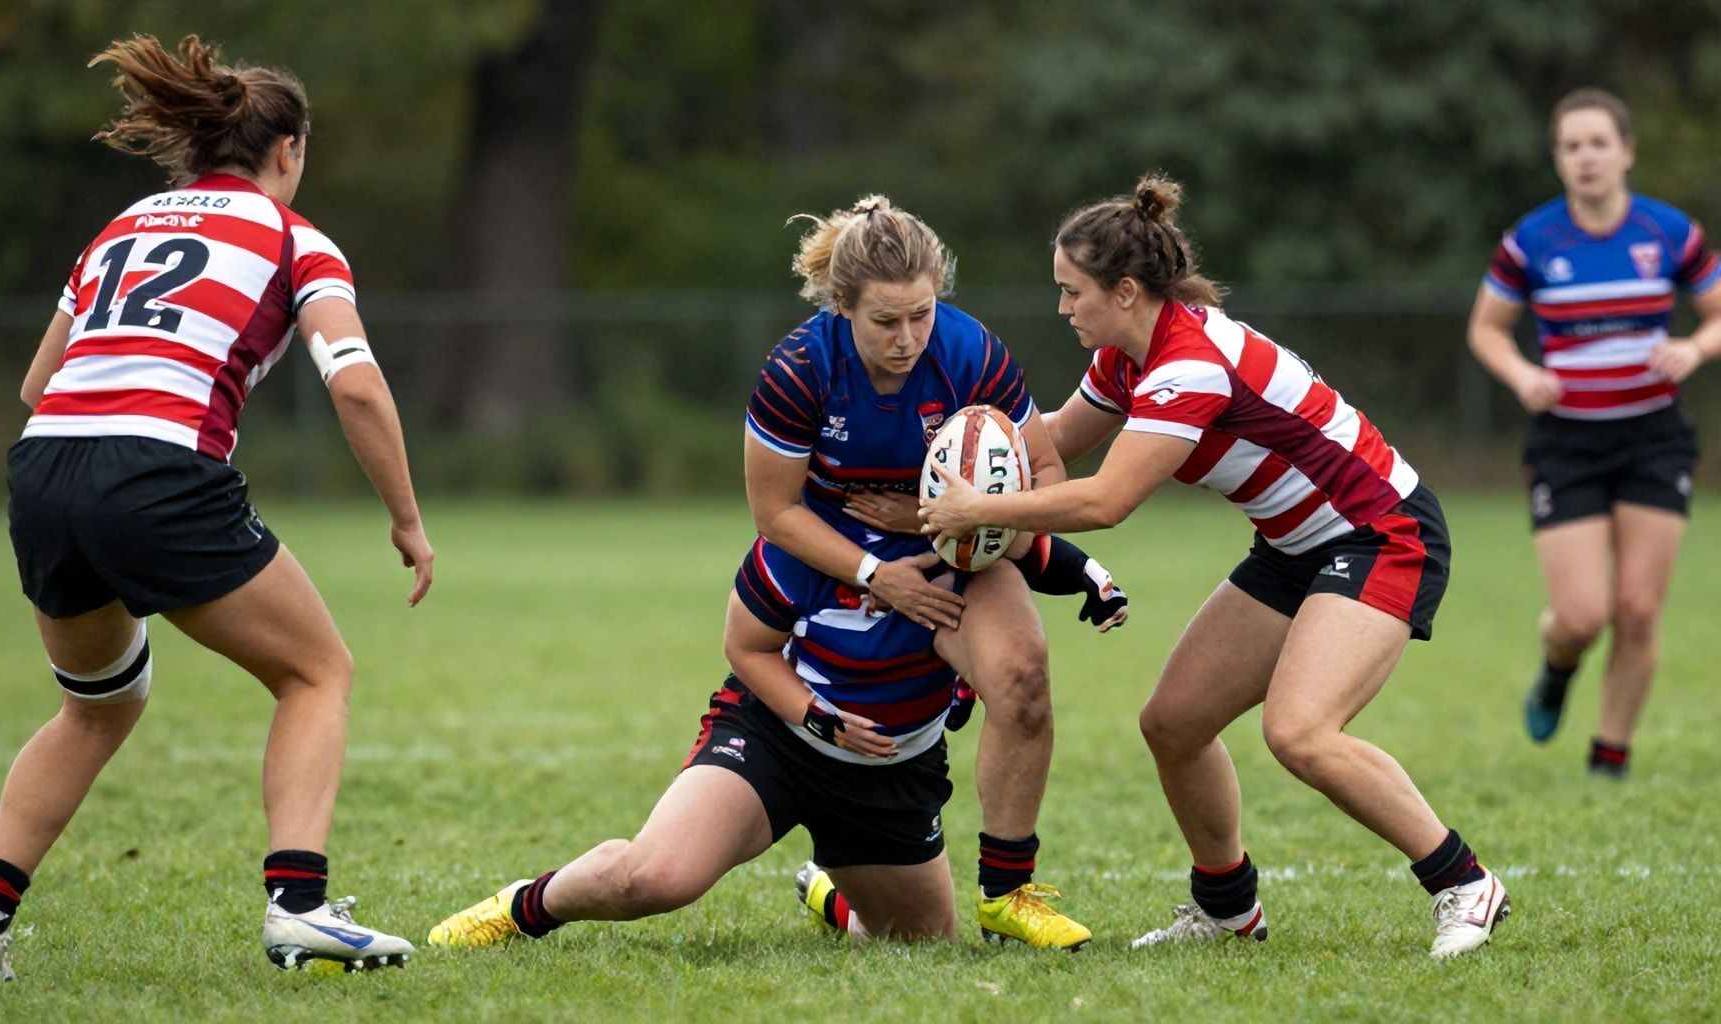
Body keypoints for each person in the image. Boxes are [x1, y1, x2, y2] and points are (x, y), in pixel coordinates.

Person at [0, 34, 432, 981]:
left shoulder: (118, 229)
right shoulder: (295, 239)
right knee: (316, 672)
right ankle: (300, 909)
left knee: (96, 705)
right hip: (156, 472)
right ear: (287, 149)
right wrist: (406, 519)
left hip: (43, 469)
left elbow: (39, 384)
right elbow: (357, 384)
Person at [921, 175, 1510, 960]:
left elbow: (1108, 500)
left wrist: (980, 509)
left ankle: (1465, 882)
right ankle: (1228, 908)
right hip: (1296, 546)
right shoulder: (1127, 358)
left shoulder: (1189, 365)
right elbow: (1055, 442)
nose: (1063, 308)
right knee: (1174, 723)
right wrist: (951, 450)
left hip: (1381, 533)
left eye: (1072, 292)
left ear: (1124, 292)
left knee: (1300, 732)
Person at [740, 196, 1129, 949]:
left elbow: (1045, 476)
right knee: (915, 930)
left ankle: (1007, 895)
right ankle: (829, 883)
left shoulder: (970, 352)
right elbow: (774, 513)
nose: (908, 338)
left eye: (921, 314)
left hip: (959, 549)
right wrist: (873, 571)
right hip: (836, 567)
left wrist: (933, 516)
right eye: (886, 321)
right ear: (843, 306)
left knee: (1024, 675)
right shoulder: (800, 368)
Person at [427, 536, 993, 947]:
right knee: (653, 877)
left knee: (921, 943)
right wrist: (818, 718)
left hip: (890, 766)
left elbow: (1032, 535)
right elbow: (744, 644)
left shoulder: (972, 539)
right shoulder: (807, 530)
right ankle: (523, 906)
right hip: (777, 734)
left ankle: (833, 897)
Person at [1467, 88, 1721, 778]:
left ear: (1627, 152)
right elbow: (1486, 330)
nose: (1586, 157)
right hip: (1567, 443)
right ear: (1558, 159)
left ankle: (1610, 756)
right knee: (1582, 616)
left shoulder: (1669, 232)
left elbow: (1716, 314)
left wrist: (1694, 348)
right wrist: (1523, 375)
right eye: (1572, 146)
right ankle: (1558, 666)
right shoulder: (1532, 241)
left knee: (1637, 610)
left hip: (1654, 439)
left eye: (1599, 143)